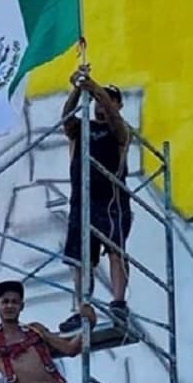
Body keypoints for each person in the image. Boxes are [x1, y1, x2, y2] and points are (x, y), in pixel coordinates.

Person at [60, 65, 132, 332]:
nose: (103, 104)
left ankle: (118, 303)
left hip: (111, 200)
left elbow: (113, 118)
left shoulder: (120, 131)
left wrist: (95, 89)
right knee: (80, 259)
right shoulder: (81, 129)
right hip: (81, 200)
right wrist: (77, 89)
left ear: (118, 104)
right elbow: (66, 117)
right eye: (102, 99)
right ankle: (82, 309)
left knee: (115, 250)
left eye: (110, 99)